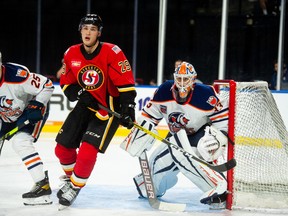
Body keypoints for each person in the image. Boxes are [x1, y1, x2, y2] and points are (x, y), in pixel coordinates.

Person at [54, 14, 136, 208]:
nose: (88, 32)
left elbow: (125, 83)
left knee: (87, 151)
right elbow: (67, 83)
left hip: (108, 108)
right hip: (86, 105)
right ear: (80, 30)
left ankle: (75, 186)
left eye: (93, 29)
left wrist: (128, 108)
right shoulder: (71, 53)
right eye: (85, 28)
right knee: (62, 148)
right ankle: (72, 178)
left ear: (99, 33)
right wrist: (80, 93)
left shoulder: (112, 51)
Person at [120, 61, 229, 208]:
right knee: (154, 170)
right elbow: (149, 116)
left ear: (194, 79)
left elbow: (223, 120)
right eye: (179, 78)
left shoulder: (206, 94)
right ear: (174, 77)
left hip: (200, 137)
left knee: (180, 152)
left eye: (186, 79)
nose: (182, 83)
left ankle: (220, 189)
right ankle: (148, 185)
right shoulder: (164, 90)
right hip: (176, 137)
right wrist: (140, 133)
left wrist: (217, 139)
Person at [0, 51, 54, 205]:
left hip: (30, 112)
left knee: (20, 142)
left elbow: (46, 85)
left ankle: (42, 184)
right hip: (6, 115)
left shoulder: (17, 75)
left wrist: (37, 105)